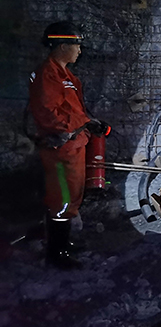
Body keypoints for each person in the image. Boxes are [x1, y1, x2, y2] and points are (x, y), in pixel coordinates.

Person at [28, 21, 109, 269]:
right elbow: (48, 114)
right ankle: (57, 253)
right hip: (60, 149)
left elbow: (71, 111)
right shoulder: (49, 75)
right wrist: (83, 123)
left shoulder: (66, 77)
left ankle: (62, 243)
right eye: (77, 45)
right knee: (62, 198)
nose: (80, 50)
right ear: (62, 46)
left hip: (72, 146)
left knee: (71, 196)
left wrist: (88, 124)